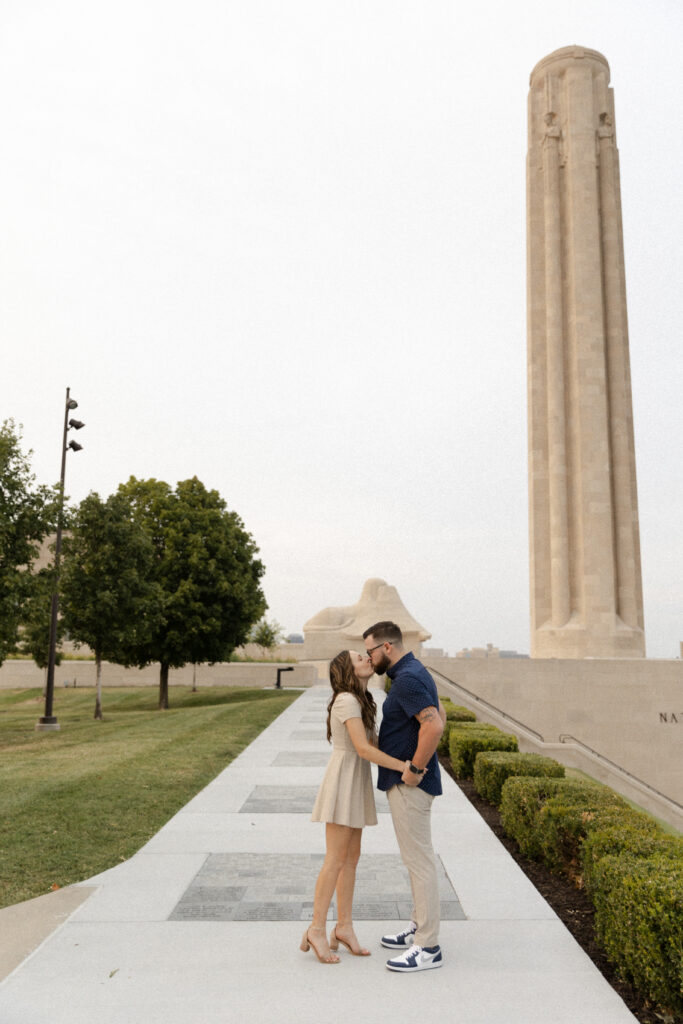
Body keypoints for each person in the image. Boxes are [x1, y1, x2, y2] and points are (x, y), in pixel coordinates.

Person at [301, 649, 410, 964]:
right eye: (359, 657)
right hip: (342, 781)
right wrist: (403, 766)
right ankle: (317, 929)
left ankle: (344, 927)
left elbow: (372, 744)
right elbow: (363, 749)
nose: (366, 658)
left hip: (354, 780)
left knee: (350, 859)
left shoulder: (359, 699)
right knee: (335, 860)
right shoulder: (346, 700)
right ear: (347, 669)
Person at [363, 621, 446, 973]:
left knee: (419, 862)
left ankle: (427, 946)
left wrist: (414, 769)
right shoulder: (410, 672)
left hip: (410, 785)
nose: (368, 658)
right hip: (407, 783)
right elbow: (440, 714)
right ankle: (418, 925)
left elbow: (434, 724)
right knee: (415, 861)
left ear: (386, 647)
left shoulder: (408, 678)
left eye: (370, 651)